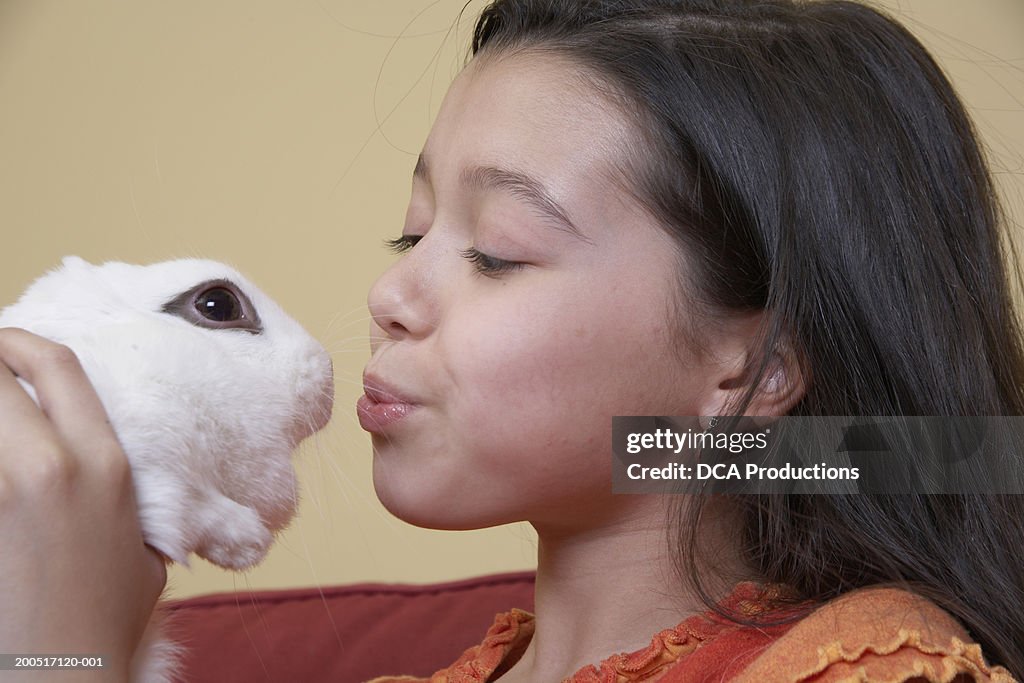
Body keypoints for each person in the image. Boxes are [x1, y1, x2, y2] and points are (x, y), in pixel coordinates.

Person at [0, 0, 1020, 681]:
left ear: (750, 371)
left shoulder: (872, 666)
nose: (390, 292)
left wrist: (62, 659)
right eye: (412, 231)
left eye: (494, 250)